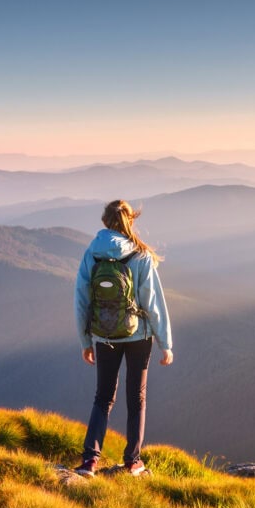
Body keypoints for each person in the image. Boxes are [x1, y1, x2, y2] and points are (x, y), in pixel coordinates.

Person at [74, 199, 173, 476]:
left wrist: (85, 340)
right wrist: (166, 343)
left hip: (104, 335)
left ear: (105, 222)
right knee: (136, 398)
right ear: (131, 220)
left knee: (103, 397)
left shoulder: (91, 254)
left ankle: (89, 461)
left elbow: (81, 300)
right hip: (138, 336)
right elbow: (153, 304)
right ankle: (132, 461)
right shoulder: (140, 256)